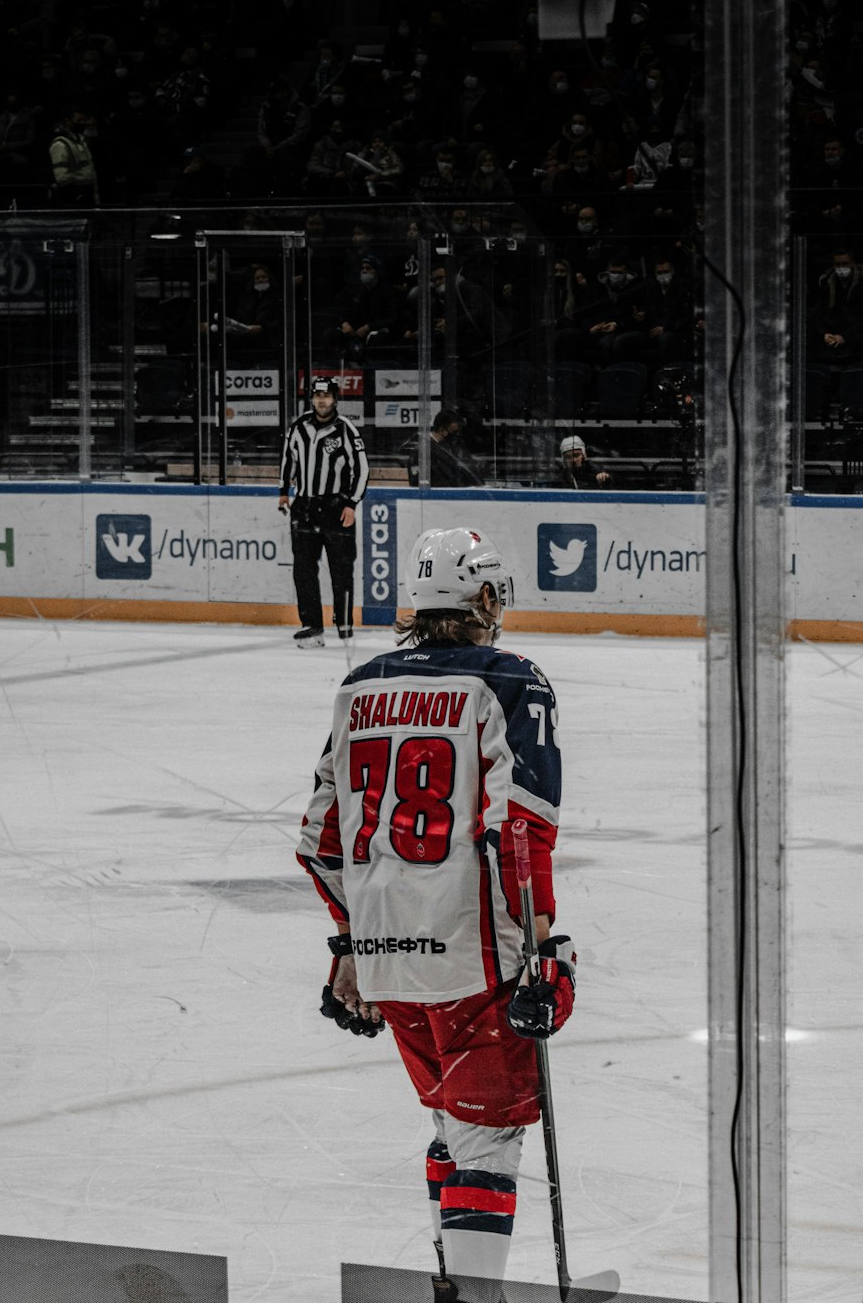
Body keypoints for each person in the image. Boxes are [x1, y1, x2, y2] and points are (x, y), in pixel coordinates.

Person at [297, 526, 575, 1303]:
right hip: (473, 948)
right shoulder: (511, 680)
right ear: (485, 597)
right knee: (486, 1134)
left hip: (388, 956)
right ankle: (474, 1301)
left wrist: (351, 944)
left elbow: (321, 837)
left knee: (455, 1122)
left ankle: (453, 1287)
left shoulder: (359, 686)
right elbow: (521, 825)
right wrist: (542, 945)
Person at [278, 376, 369, 647]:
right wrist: (283, 491)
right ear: (311, 398)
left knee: (341, 568)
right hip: (304, 506)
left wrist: (351, 503)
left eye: (326, 396)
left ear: (335, 399)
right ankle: (311, 625)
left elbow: (361, 470)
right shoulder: (298, 427)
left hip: (335, 507)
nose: (321, 400)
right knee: (303, 569)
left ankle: (343, 622)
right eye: (317, 395)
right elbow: (288, 459)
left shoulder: (346, 430)